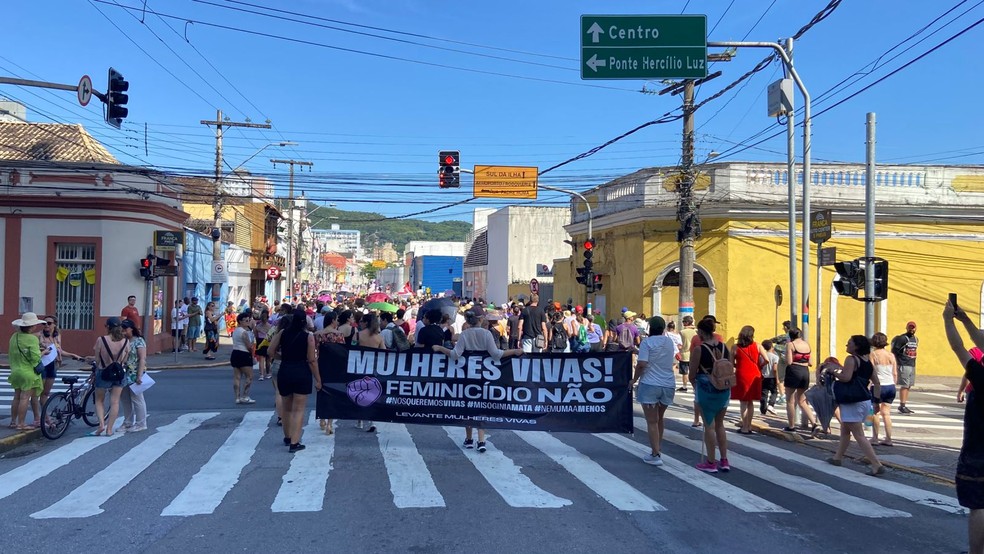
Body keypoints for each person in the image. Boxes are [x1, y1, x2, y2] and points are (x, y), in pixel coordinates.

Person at [433, 310, 523, 452]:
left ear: (468, 321)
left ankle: (469, 439)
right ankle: (481, 441)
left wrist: (440, 348)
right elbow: (496, 354)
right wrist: (514, 352)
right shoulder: (486, 334)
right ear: (481, 320)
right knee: (481, 407)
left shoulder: (464, 334)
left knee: (468, 406)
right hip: (484, 374)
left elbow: (455, 355)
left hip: (467, 374)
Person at [943, 299, 984, 553]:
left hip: (978, 451)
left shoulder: (981, 376)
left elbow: (959, 348)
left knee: (978, 505)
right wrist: (966, 320)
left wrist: (948, 319)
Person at [824, 335, 886, 476]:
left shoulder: (851, 359)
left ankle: (876, 464)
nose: (847, 344)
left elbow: (846, 377)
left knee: (859, 435)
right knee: (845, 430)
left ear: (856, 346)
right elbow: (876, 382)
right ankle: (837, 458)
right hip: (864, 400)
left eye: (849, 343)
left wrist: (833, 371)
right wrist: (876, 401)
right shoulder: (867, 361)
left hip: (852, 401)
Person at [269, 308, 321, 453]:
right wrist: (318, 379)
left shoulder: (282, 333)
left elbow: (270, 351)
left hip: (285, 370)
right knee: (298, 410)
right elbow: (311, 360)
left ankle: (287, 437)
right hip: (301, 371)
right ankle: (295, 442)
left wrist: (283, 357)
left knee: (286, 408)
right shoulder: (308, 336)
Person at [631, 316, 677, 466]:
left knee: (651, 421)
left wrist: (634, 380)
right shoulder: (669, 342)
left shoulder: (647, 342)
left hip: (650, 384)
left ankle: (655, 454)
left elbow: (642, 364)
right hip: (668, 384)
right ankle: (658, 447)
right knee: (659, 419)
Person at [688, 317, 731, 473]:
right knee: (720, 425)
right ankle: (724, 460)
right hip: (724, 389)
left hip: (706, 388)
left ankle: (711, 462)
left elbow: (692, 373)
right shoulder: (725, 347)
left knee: (709, 426)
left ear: (700, 332)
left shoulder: (700, 349)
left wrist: (694, 385)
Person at [91, 317, 131, 437]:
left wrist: (99, 365)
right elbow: (125, 359)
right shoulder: (125, 341)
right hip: (118, 374)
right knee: (115, 402)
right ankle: (109, 429)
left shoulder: (101, 340)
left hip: (103, 372)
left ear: (108, 327)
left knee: (99, 400)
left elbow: (97, 359)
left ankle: (101, 425)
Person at [8, 312, 45, 430]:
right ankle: (21, 423)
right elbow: (35, 357)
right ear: (32, 326)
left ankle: (13, 421)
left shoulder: (14, 336)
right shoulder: (32, 339)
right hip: (28, 372)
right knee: (25, 397)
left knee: (17, 397)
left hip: (16, 370)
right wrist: (43, 352)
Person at [783, 328, 820, 434]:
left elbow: (789, 361)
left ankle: (791, 426)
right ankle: (814, 423)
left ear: (790, 336)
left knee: (790, 401)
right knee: (802, 401)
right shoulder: (807, 344)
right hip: (805, 372)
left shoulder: (790, 345)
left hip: (794, 371)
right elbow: (811, 362)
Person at [731, 326, 765, 434]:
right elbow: (767, 359)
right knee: (750, 402)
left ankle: (744, 427)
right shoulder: (758, 346)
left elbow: (731, 363)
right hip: (755, 374)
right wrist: (759, 366)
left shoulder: (735, 347)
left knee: (743, 402)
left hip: (741, 374)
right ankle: (749, 426)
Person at [119, 320, 148, 433]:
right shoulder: (123, 341)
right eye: (122, 330)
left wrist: (139, 375)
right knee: (125, 398)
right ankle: (128, 422)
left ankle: (141, 423)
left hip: (134, 372)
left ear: (131, 329)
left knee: (137, 398)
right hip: (124, 373)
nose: (124, 332)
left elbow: (142, 359)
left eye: (125, 329)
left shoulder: (139, 341)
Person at [869, 332, 898, 446]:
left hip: (878, 385)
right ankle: (888, 438)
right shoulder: (891, 355)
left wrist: (868, 385)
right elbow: (895, 373)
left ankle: (875, 438)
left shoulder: (873, 355)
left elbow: (871, 372)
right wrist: (893, 384)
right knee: (886, 413)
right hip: (890, 385)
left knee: (876, 411)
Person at [891, 320, 918, 414]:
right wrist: (897, 362)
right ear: (907, 328)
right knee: (905, 385)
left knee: (909, 385)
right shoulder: (902, 338)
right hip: (904, 364)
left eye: (913, 327)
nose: (912, 329)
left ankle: (904, 404)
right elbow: (894, 351)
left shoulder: (916, 339)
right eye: (910, 327)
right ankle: (902, 405)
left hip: (912, 364)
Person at [230, 312, 256, 405]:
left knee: (237, 377)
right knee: (249, 376)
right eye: (246, 320)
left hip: (235, 353)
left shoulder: (236, 331)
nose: (248, 322)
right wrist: (252, 354)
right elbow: (249, 346)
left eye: (248, 320)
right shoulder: (244, 333)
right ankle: (245, 396)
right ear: (240, 321)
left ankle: (237, 397)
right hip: (244, 354)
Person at [760, 339, 780, 416]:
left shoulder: (761, 356)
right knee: (774, 392)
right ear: (771, 347)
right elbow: (775, 369)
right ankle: (771, 405)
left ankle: (763, 411)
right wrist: (777, 379)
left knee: (764, 394)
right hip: (772, 377)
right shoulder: (775, 357)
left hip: (763, 377)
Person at [678, 316, 697, 392]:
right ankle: (695, 387)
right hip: (693, 354)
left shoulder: (682, 332)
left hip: (684, 354)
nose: (682, 323)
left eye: (683, 322)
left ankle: (684, 386)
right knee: (694, 372)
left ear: (686, 323)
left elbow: (680, 343)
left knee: (684, 372)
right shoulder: (695, 332)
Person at [254, 310, 272, 381]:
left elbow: (256, 336)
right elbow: (272, 336)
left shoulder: (257, 326)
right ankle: (268, 373)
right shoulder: (270, 326)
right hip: (268, 341)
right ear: (267, 318)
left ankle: (261, 375)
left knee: (261, 359)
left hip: (260, 342)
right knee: (268, 359)